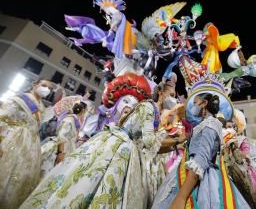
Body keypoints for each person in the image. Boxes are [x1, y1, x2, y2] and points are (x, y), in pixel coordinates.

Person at [20, 72, 190, 209]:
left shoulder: (153, 111)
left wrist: (176, 144)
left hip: (128, 149)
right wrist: (176, 141)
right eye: (172, 95)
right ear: (161, 94)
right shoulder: (148, 107)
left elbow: (152, 147)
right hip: (118, 147)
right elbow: (149, 141)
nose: (175, 100)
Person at [151, 92, 250, 209]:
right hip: (190, 172)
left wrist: (181, 197)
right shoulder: (204, 124)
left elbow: (202, 158)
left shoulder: (211, 123)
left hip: (202, 178)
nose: (193, 108)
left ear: (204, 103)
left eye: (195, 103)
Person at [0, 78, 52, 208]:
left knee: (19, 177)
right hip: (13, 140)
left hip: (31, 146)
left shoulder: (43, 108)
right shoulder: (20, 99)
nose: (47, 89)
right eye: (44, 85)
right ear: (35, 86)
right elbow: (1, 118)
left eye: (49, 88)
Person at [40, 101, 87, 180]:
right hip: (61, 149)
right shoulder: (69, 120)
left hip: (68, 148)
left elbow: (69, 134)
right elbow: (61, 137)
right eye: (86, 110)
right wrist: (61, 153)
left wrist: (79, 138)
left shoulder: (75, 120)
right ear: (83, 111)